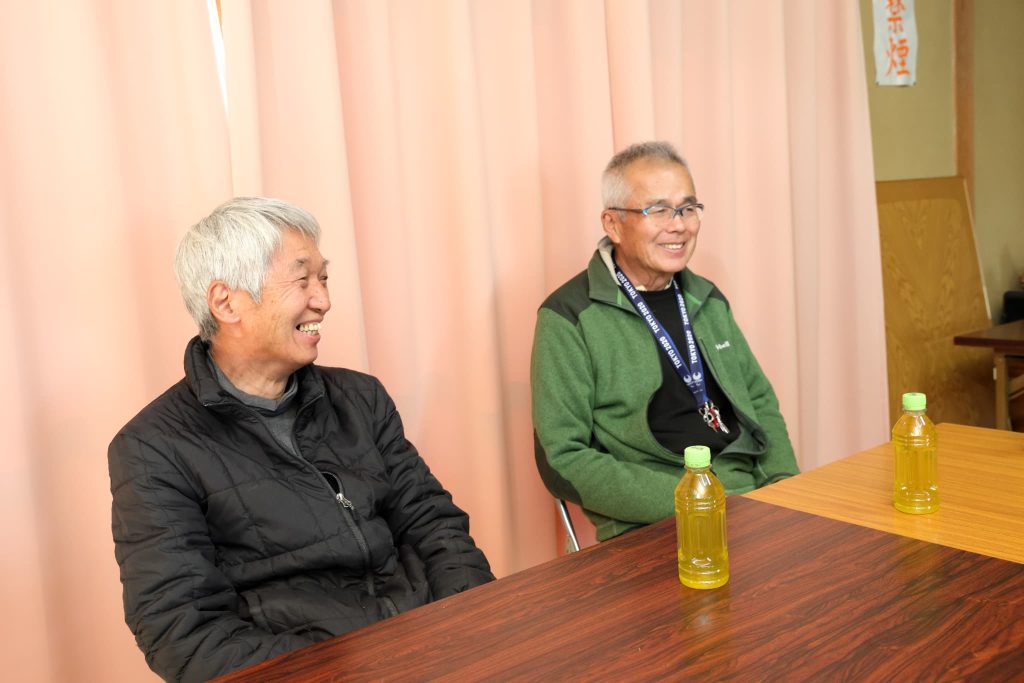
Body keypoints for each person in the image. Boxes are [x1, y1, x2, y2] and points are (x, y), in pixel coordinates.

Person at [108, 197, 494, 682]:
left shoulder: (360, 397)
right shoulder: (153, 448)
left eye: (324, 278)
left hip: (433, 648)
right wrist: (348, 670)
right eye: (302, 280)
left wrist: (470, 623)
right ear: (226, 303)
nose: (323, 301)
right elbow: (181, 632)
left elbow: (434, 524)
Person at [531, 141, 799, 542]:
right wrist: (694, 501)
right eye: (658, 210)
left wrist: (786, 489)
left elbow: (759, 401)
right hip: (653, 523)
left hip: (750, 501)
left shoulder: (706, 298)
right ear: (613, 224)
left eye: (687, 208)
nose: (679, 225)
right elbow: (563, 459)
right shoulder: (568, 317)